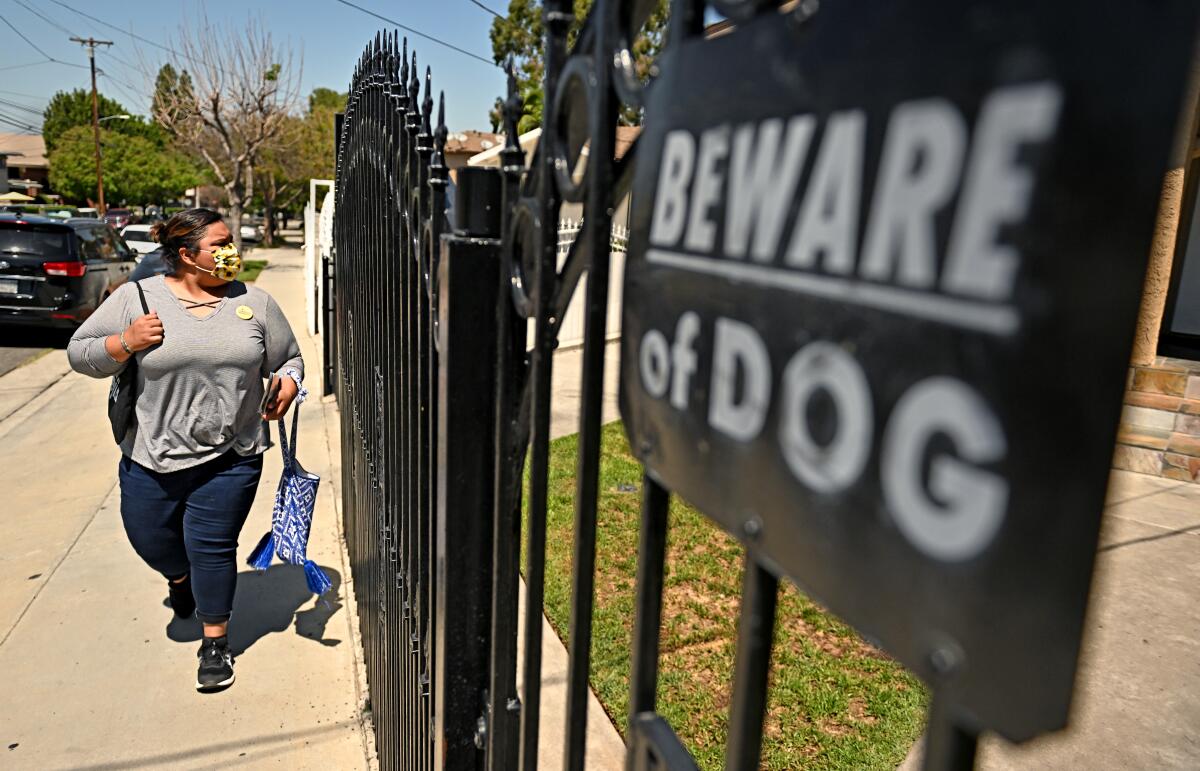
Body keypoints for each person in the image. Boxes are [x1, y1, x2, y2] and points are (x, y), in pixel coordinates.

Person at [67, 208, 304, 692]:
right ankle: (178, 580)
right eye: (218, 244)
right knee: (152, 541)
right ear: (185, 255)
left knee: (213, 548)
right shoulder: (138, 298)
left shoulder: (255, 302)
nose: (229, 251)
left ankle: (215, 642)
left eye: (230, 240)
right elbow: (79, 352)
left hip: (233, 454)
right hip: (151, 454)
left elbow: (290, 358)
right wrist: (123, 342)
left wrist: (289, 382)